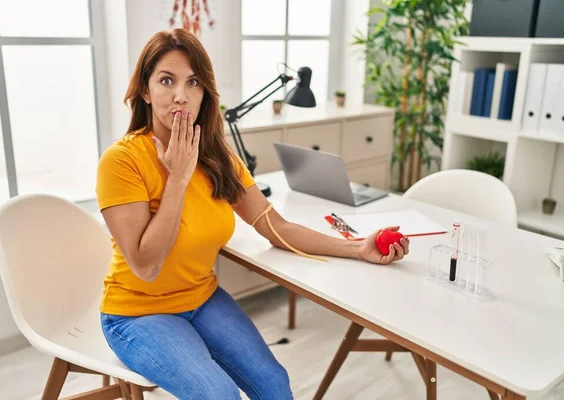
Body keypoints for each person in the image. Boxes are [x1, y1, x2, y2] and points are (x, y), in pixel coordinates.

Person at [96, 28, 410, 400]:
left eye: (193, 82)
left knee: (275, 386)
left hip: (201, 299)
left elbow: (274, 226)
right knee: (221, 396)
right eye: (167, 80)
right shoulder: (122, 161)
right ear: (146, 90)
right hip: (137, 314)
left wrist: (358, 247)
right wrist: (177, 178)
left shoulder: (217, 157)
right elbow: (146, 265)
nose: (181, 96)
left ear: (204, 93)